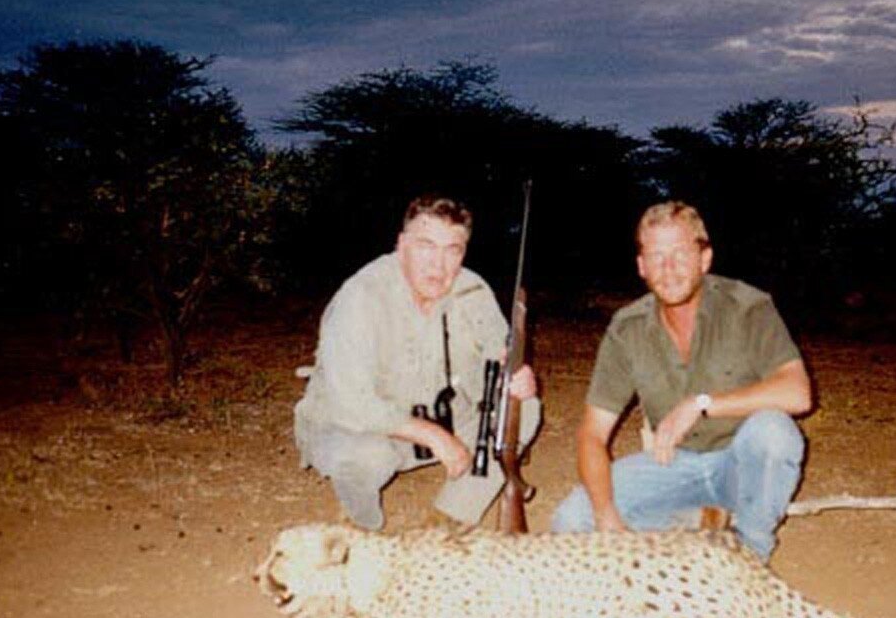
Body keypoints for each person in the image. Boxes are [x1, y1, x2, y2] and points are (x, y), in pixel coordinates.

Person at [551, 201, 811, 562]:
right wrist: (606, 516)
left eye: (679, 254)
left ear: (704, 259)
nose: (668, 269)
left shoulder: (747, 306)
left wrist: (701, 404)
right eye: (656, 256)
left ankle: (750, 555)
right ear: (641, 266)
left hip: (739, 464)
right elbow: (592, 433)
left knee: (774, 431)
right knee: (572, 519)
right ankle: (698, 522)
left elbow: (798, 393)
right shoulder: (627, 328)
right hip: (674, 465)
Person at [294, 194, 540, 532]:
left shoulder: (473, 291)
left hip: (441, 419)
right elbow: (350, 404)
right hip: (363, 428)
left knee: (524, 409)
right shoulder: (362, 297)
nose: (437, 266)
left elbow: (499, 361)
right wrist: (434, 436)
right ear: (402, 245)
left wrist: (515, 380)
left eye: (451, 250)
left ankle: (446, 523)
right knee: (365, 457)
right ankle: (358, 527)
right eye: (426, 246)